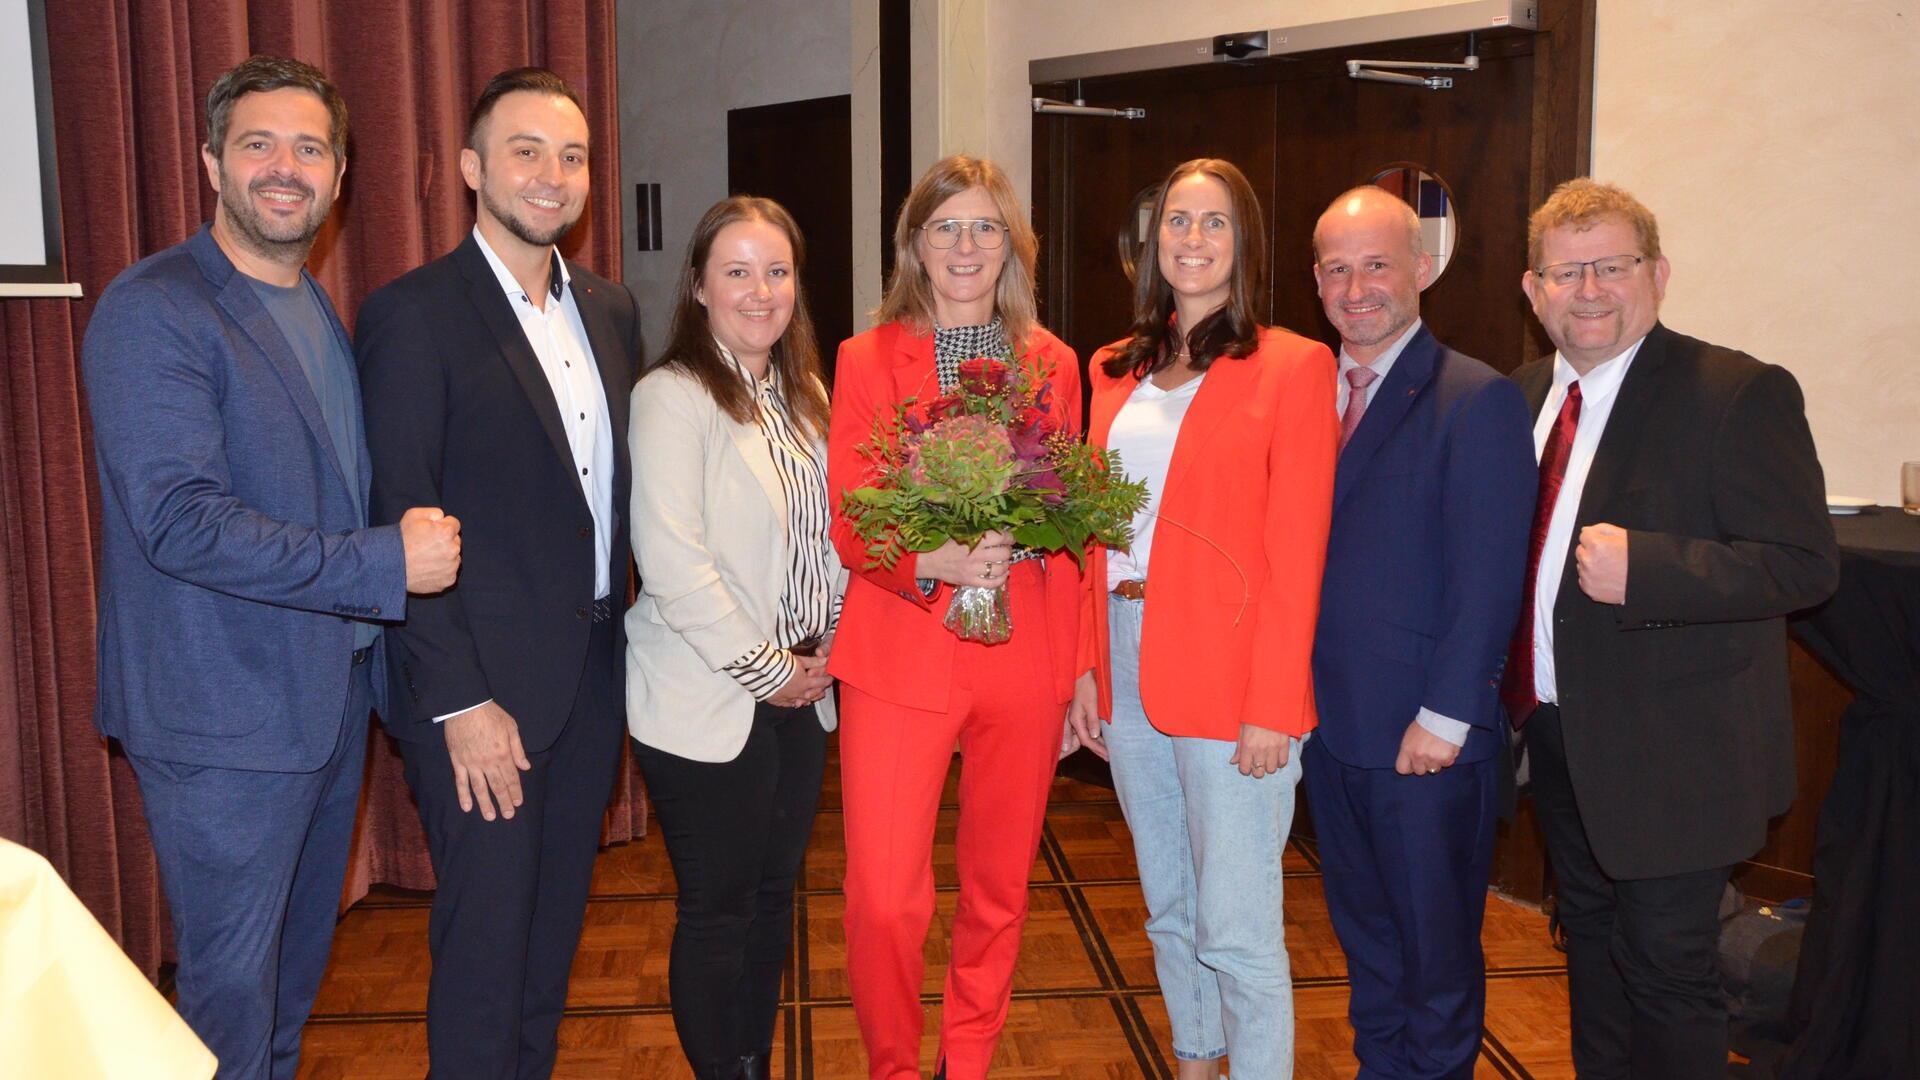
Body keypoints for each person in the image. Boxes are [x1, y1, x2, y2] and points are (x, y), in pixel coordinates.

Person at [81, 55, 461, 1080]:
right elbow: (181, 522)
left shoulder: (313, 310)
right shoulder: (153, 308)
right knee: (228, 1007)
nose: (284, 167)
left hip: (323, 706)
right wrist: (387, 561)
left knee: (288, 990)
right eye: (258, 144)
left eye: (310, 147)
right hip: (221, 723)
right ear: (211, 161)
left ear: (339, 175)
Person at [1508, 178, 1839, 1080]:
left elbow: (1804, 564)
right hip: (1559, 736)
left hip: (1679, 755)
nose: (1588, 291)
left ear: (1658, 274)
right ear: (1533, 291)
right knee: (1593, 952)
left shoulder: (1736, 392)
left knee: (1667, 975)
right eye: (1565, 272)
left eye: (1610, 267)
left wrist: (1648, 568)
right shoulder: (1523, 394)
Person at [355, 67, 642, 1079]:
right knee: (482, 959)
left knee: (549, 949)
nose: (551, 175)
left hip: (591, 684)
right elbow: (399, 517)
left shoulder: (611, 311)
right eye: (525, 150)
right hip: (484, 702)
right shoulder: (413, 315)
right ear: (474, 167)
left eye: (571, 156)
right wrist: (459, 700)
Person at [1065, 157, 1337, 1079]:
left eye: (1213, 222)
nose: (1191, 239)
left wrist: (1275, 702)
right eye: (1177, 220)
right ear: (1152, 242)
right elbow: (1088, 538)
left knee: (1238, 918)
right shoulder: (1112, 367)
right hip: (1127, 651)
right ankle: (1195, 1057)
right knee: (1168, 899)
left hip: (1233, 671)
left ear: (1244, 242)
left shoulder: (1294, 366)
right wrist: (1085, 670)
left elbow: (1298, 552)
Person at [827, 155, 1083, 1080]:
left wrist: (1080, 668)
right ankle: (895, 1066)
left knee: (998, 889)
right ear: (914, 245)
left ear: (1013, 242)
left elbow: (1077, 524)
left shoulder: (1052, 361)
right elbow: (852, 513)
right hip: (901, 651)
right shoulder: (866, 357)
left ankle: (965, 1060)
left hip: (1024, 654)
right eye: (946, 228)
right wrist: (925, 561)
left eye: (984, 227)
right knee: (884, 901)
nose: (966, 246)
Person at [1303, 186, 1536, 1079]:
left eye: (1376, 264)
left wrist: (1444, 717)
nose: (1356, 287)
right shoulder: (1300, 396)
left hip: (1424, 742)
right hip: (1328, 731)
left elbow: (1489, 576)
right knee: (1366, 948)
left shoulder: (1474, 399)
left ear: (1422, 270)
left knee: (1435, 965)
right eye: (1335, 268)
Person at [625, 196, 844, 1080]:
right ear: (699, 286)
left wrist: (828, 652)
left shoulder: (807, 395)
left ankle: (751, 1061)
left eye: (778, 271)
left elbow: (830, 536)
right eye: (738, 272)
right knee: (717, 909)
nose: (761, 291)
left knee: (770, 903)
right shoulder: (671, 395)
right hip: (707, 696)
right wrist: (769, 670)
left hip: (805, 692)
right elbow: (672, 562)